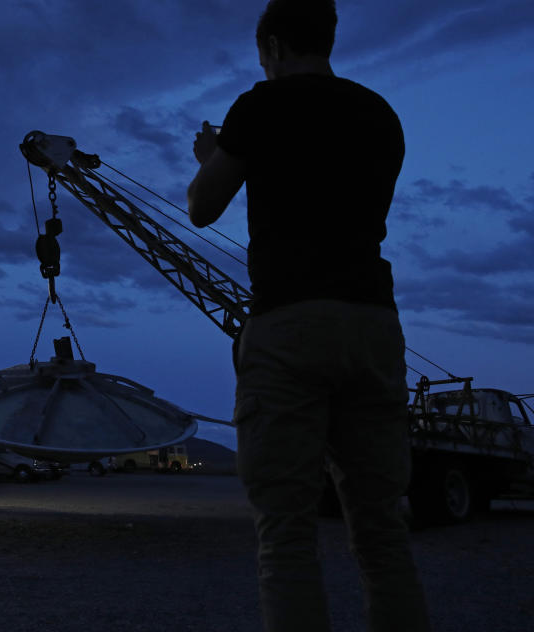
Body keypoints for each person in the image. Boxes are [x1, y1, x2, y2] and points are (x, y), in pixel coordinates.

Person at [187, 1, 431, 630]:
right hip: (373, 323)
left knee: (286, 532)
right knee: (382, 530)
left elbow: (202, 206)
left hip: (289, 323)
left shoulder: (259, 108)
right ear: (327, 39)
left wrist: (213, 152)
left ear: (271, 46)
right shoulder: (381, 115)